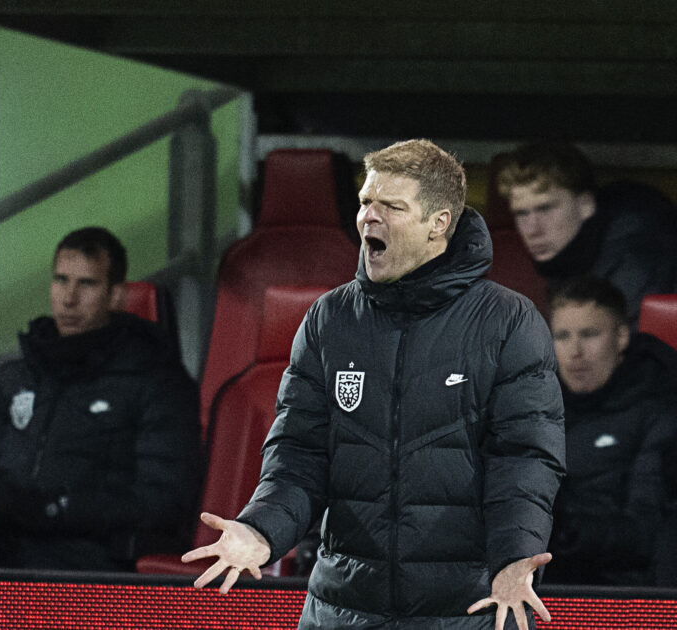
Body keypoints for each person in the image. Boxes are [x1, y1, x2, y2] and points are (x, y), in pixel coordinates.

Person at [183, 139, 566, 630]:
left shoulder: (508, 322)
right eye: (366, 202)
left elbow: (525, 458)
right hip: (342, 607)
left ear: (439, 223)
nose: (369, 217)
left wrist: (516, 556)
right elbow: (299, 453)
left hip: (466, 610)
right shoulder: (330, 318)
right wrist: (262, 529)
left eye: (392, 206)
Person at [0, 226, 202, 571]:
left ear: (116, 295)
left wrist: (55, 508)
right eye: (61, 281)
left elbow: (164, 500)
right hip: (0, 545)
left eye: (86, 284)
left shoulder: (156, 382)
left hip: (92, 557)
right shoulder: (15, 378)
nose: (69, 298)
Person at [546, 275, 677, 586]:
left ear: (620, 337)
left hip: (621, 591)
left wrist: (562, 532)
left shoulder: (658, 412)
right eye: (562, 336)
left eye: (589, 334)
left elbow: (648, 531)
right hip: (544, 582)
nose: (574, 351)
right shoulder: (536, 408)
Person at [492, 141, 677, 326]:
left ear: (585, 205)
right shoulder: (567, 256)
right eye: (521, 213)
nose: (532, 229)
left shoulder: (638, 256)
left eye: (545, 209)